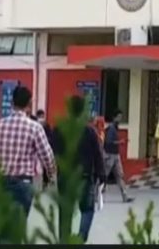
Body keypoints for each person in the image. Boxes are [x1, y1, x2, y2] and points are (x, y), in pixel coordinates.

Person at [0, 86, 56, 244]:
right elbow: (48, 156)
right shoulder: (35, 128)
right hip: (23, 186)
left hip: (1, 185)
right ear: (29, 104)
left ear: (11, 103)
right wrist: (51, 177)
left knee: (3, 231)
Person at [52, 95, 106, 243]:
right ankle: (81, 237)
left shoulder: (59, 129)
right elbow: (97, 154)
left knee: (65, 212)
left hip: (65, 176)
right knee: (87, 209)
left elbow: (53, 151)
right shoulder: (90, 131)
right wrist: (101, 174)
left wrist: (50, 174)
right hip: (84, 176)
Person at [103, 110, 133, 203]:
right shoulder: (111, 128)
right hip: (110, 155)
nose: (120, 119)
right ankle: (96, 195)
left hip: (115, 155)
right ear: (114, 117)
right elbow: (108, 141)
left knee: (120, 175)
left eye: (121, 117)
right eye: (118, 117)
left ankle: (125, 196)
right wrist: (120, 142)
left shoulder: (115, 128)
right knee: (103, 175)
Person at [36, 109, 53, 190]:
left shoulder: (46, 125)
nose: (42, 118)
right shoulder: (34, 125)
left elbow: (50, 135)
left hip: (43, 147)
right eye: (40, 116)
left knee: (44, 165)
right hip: (35, 149)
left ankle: (45, 182)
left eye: (43, 116)